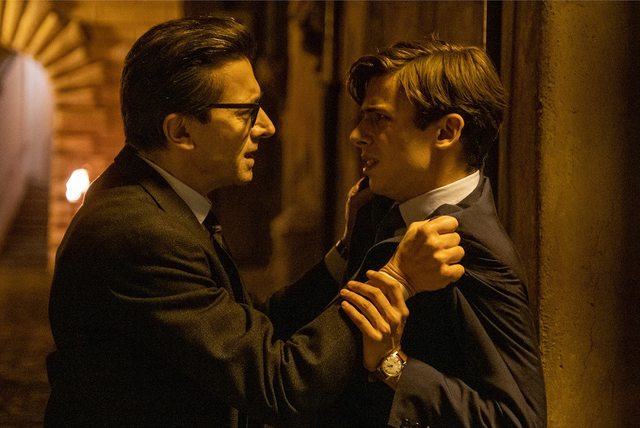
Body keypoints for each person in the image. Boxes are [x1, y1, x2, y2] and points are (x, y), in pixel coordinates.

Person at [44, 17, 465, 428]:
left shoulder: (158, 203)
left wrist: (344, 252)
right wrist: (397, 277)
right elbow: (279, 384)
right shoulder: (141, 232)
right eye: (247, 112)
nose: (267, 126)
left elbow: (255, 326)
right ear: (181, 131)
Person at [323, 38, 547, 427]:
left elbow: (518, 419)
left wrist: (394, 365)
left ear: (446, 131)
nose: (356, 135)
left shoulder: (469, 246)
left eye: (378, 118)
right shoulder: (381, 209)